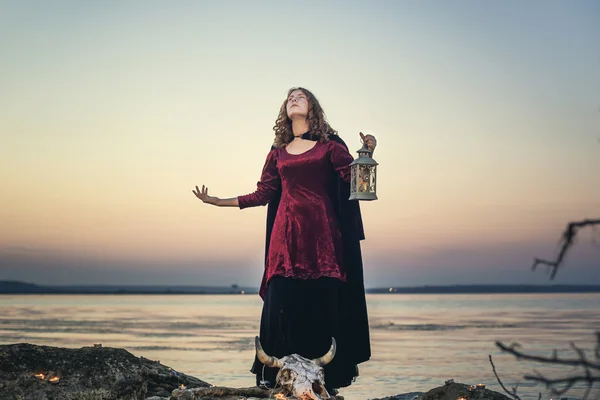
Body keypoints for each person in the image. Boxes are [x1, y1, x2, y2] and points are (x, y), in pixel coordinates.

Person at [192, 87, 376, 394]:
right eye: (290, 96)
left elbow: (355, 181)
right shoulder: (277, 152)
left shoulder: (330, 147)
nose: (294, 98)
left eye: (301, 96)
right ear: (284, 110)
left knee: (322, 304)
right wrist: (217, 201)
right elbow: (263, 194)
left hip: (323, 240)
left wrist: (368, 150)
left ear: (312, 107)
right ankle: (276, 382)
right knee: (280, 304)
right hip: (284, 242)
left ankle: (322, 384)